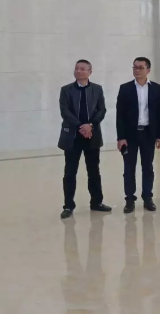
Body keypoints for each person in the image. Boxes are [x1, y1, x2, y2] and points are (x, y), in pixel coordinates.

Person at [58, 59, 112, 219]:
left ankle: (96, 202)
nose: (78, 71)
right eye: (76, 68)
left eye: (82, 69)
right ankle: (68, 205)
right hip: (73, 136)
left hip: (92, 136)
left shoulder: (97, 89)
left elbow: (101, 110)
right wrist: (81, 127)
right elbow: (65, 111)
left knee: (94, 171)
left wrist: (91, 126)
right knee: (70, 172)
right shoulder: (66, 90)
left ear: (90, 71)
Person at [116, 57, 160, 214]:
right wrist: (121, 137)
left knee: (147, 167)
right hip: (130, 135)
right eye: (135, 67)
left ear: (148, 70)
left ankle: (148, 198)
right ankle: (129, 199)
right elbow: (120, 115)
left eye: (140, 67)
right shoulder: (125, 88)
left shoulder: (156, 88)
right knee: (129, 168)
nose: (137, 70)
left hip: (148, 134)